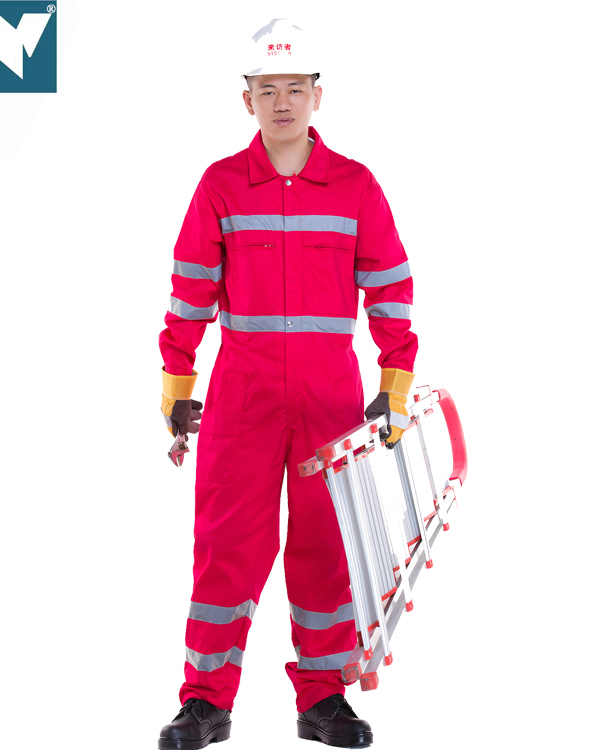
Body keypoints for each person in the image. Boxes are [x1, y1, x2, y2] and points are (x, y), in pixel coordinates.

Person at [157, 18, 418, 749]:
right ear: (247, 100)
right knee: (226, 547)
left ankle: (323, 698)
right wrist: (177, 381)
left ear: (317, 95)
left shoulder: (356, 186)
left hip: (330, 400)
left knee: (327, 549)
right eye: (267, 90)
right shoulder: (220, 186)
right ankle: (205, 702)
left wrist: (395, 378)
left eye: (295, 88)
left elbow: (390, 288)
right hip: (243, 398)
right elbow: (190, 290)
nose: (282, 103)